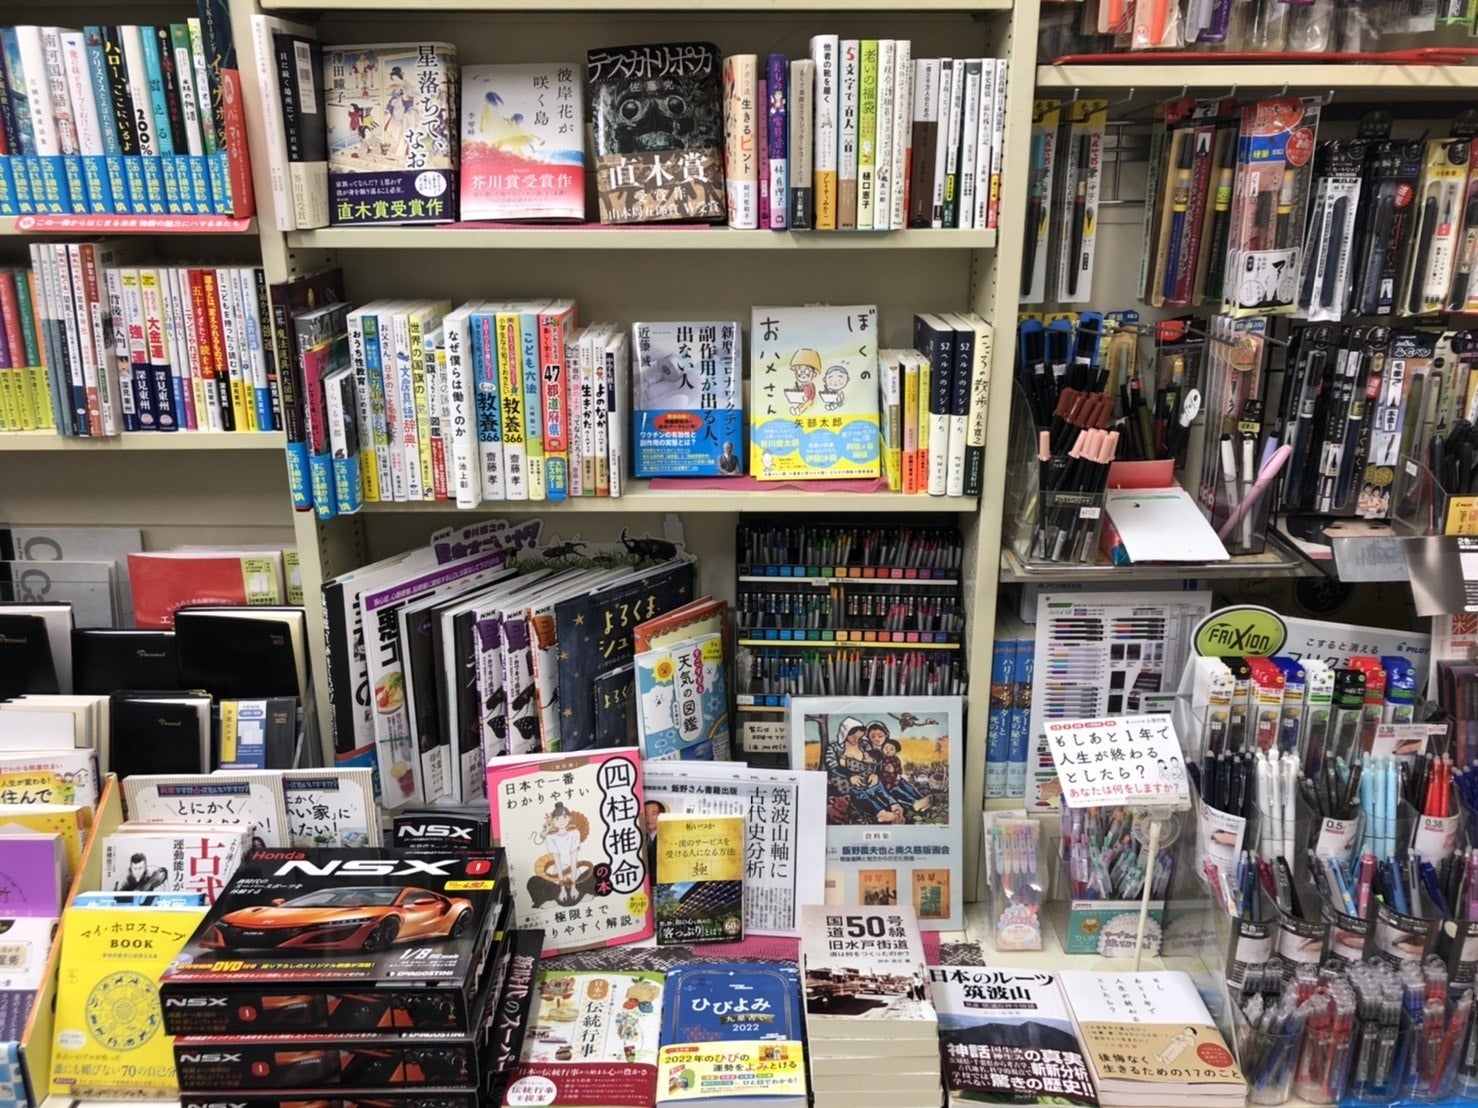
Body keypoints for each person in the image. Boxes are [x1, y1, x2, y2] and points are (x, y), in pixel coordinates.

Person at [643, 799, 666, 881]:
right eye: (645, 814)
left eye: (653, 814)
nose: (649, 818)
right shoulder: (639, 838)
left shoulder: (667, 838)